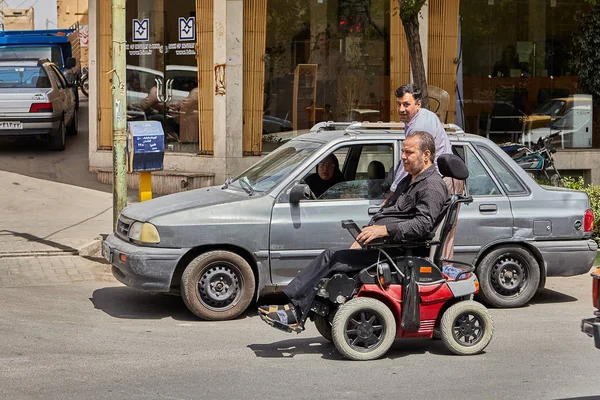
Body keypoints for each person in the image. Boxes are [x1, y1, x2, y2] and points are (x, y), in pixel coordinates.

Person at [258, 132, 450, 330]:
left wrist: (384, 229)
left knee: (333, 258)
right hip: (383, 246)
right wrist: (366, 235)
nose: (403, 156)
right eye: (403, 151)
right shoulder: (409, 180)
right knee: (331, 258)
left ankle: (295, 311)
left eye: (408, 152)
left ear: (426, 155)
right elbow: (389, 211)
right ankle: (295, 308)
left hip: (398, 253)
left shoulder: (432, 186)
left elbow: (423, 224)